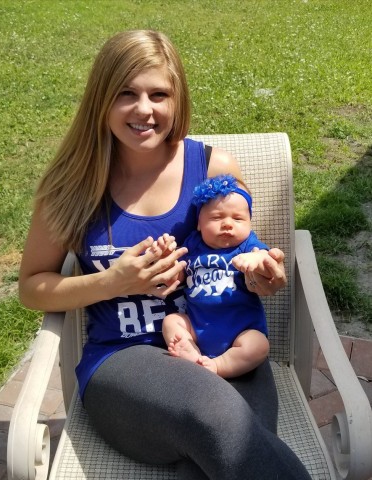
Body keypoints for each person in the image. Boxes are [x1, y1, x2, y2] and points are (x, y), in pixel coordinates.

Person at [19, 29, 311, 479]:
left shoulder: (213, 168)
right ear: (101, 99)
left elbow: (245, 250)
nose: (144, 109)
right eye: (126, 94)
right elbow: (32, 288)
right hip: (126, 359)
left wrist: (262, 275)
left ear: (177, 101)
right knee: (223, 419)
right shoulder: (71, 186)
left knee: (222, 455)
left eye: (159, 94)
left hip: (222, 347)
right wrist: (114, 281)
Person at [162, 174, 270, 378]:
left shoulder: (247, 246)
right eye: (217, 218)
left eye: (238, 218)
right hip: (196, 326)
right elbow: (180, 273)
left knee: (259, 345)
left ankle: (218, 366)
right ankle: (193, 353)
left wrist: (256, 259)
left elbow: (265, 256)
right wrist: (170, 265)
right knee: (171, 322)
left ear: (249, 223)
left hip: (240, 331)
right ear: (199, 224)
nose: (228, 224)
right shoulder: (193, 244)